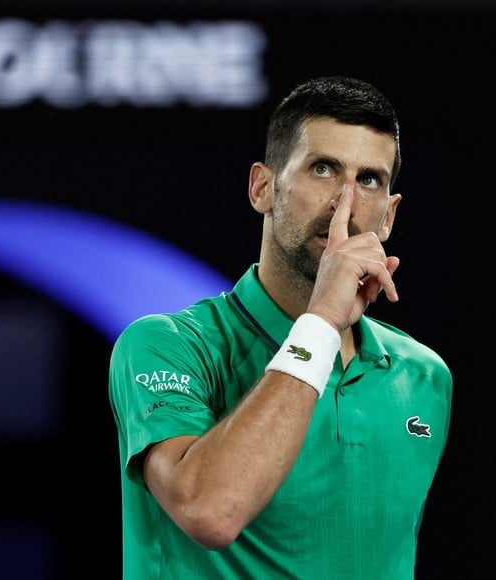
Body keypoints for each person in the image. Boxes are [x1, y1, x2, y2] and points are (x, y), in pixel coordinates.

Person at [107, 75, 453, 579]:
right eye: (323, 169)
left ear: (390, 217)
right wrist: (322, 323)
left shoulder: (424, 377)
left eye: (370, 180)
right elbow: (210, 511)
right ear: (262, 188)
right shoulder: (165, 346)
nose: (345, 203)